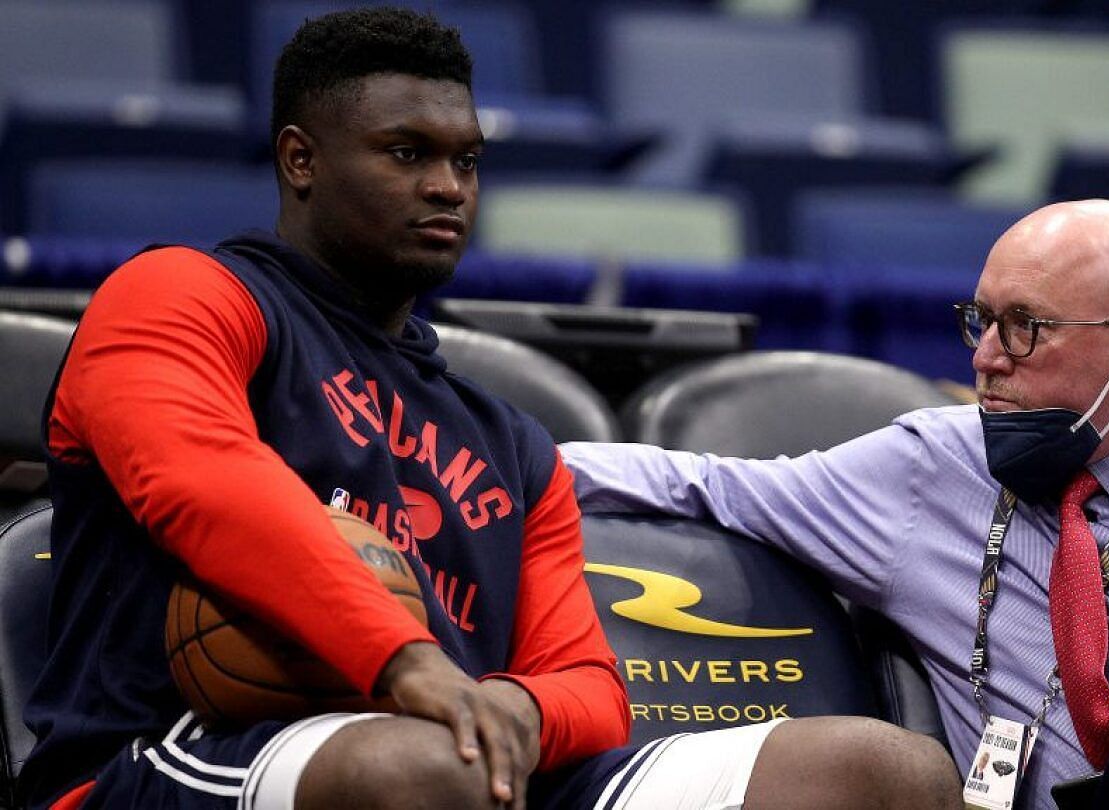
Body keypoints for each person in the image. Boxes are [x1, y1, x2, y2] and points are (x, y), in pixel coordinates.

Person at [20, 8, 962, 810]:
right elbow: (207, 485)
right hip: (173, 752)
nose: (448, 187)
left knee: (884, 770)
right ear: (300, 161)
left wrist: (520, 711)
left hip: (470, 757)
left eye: (466, 161)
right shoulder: (183, 294)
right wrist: (410, 666)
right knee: (430, 768)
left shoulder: (510, 440)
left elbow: (589, 686)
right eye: (406, 153)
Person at [562, 200, 1109, 808]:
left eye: (1025, 325)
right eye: (979, 319)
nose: (986, 356)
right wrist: (491, 458)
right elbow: (704, 483)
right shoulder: (926, 468)